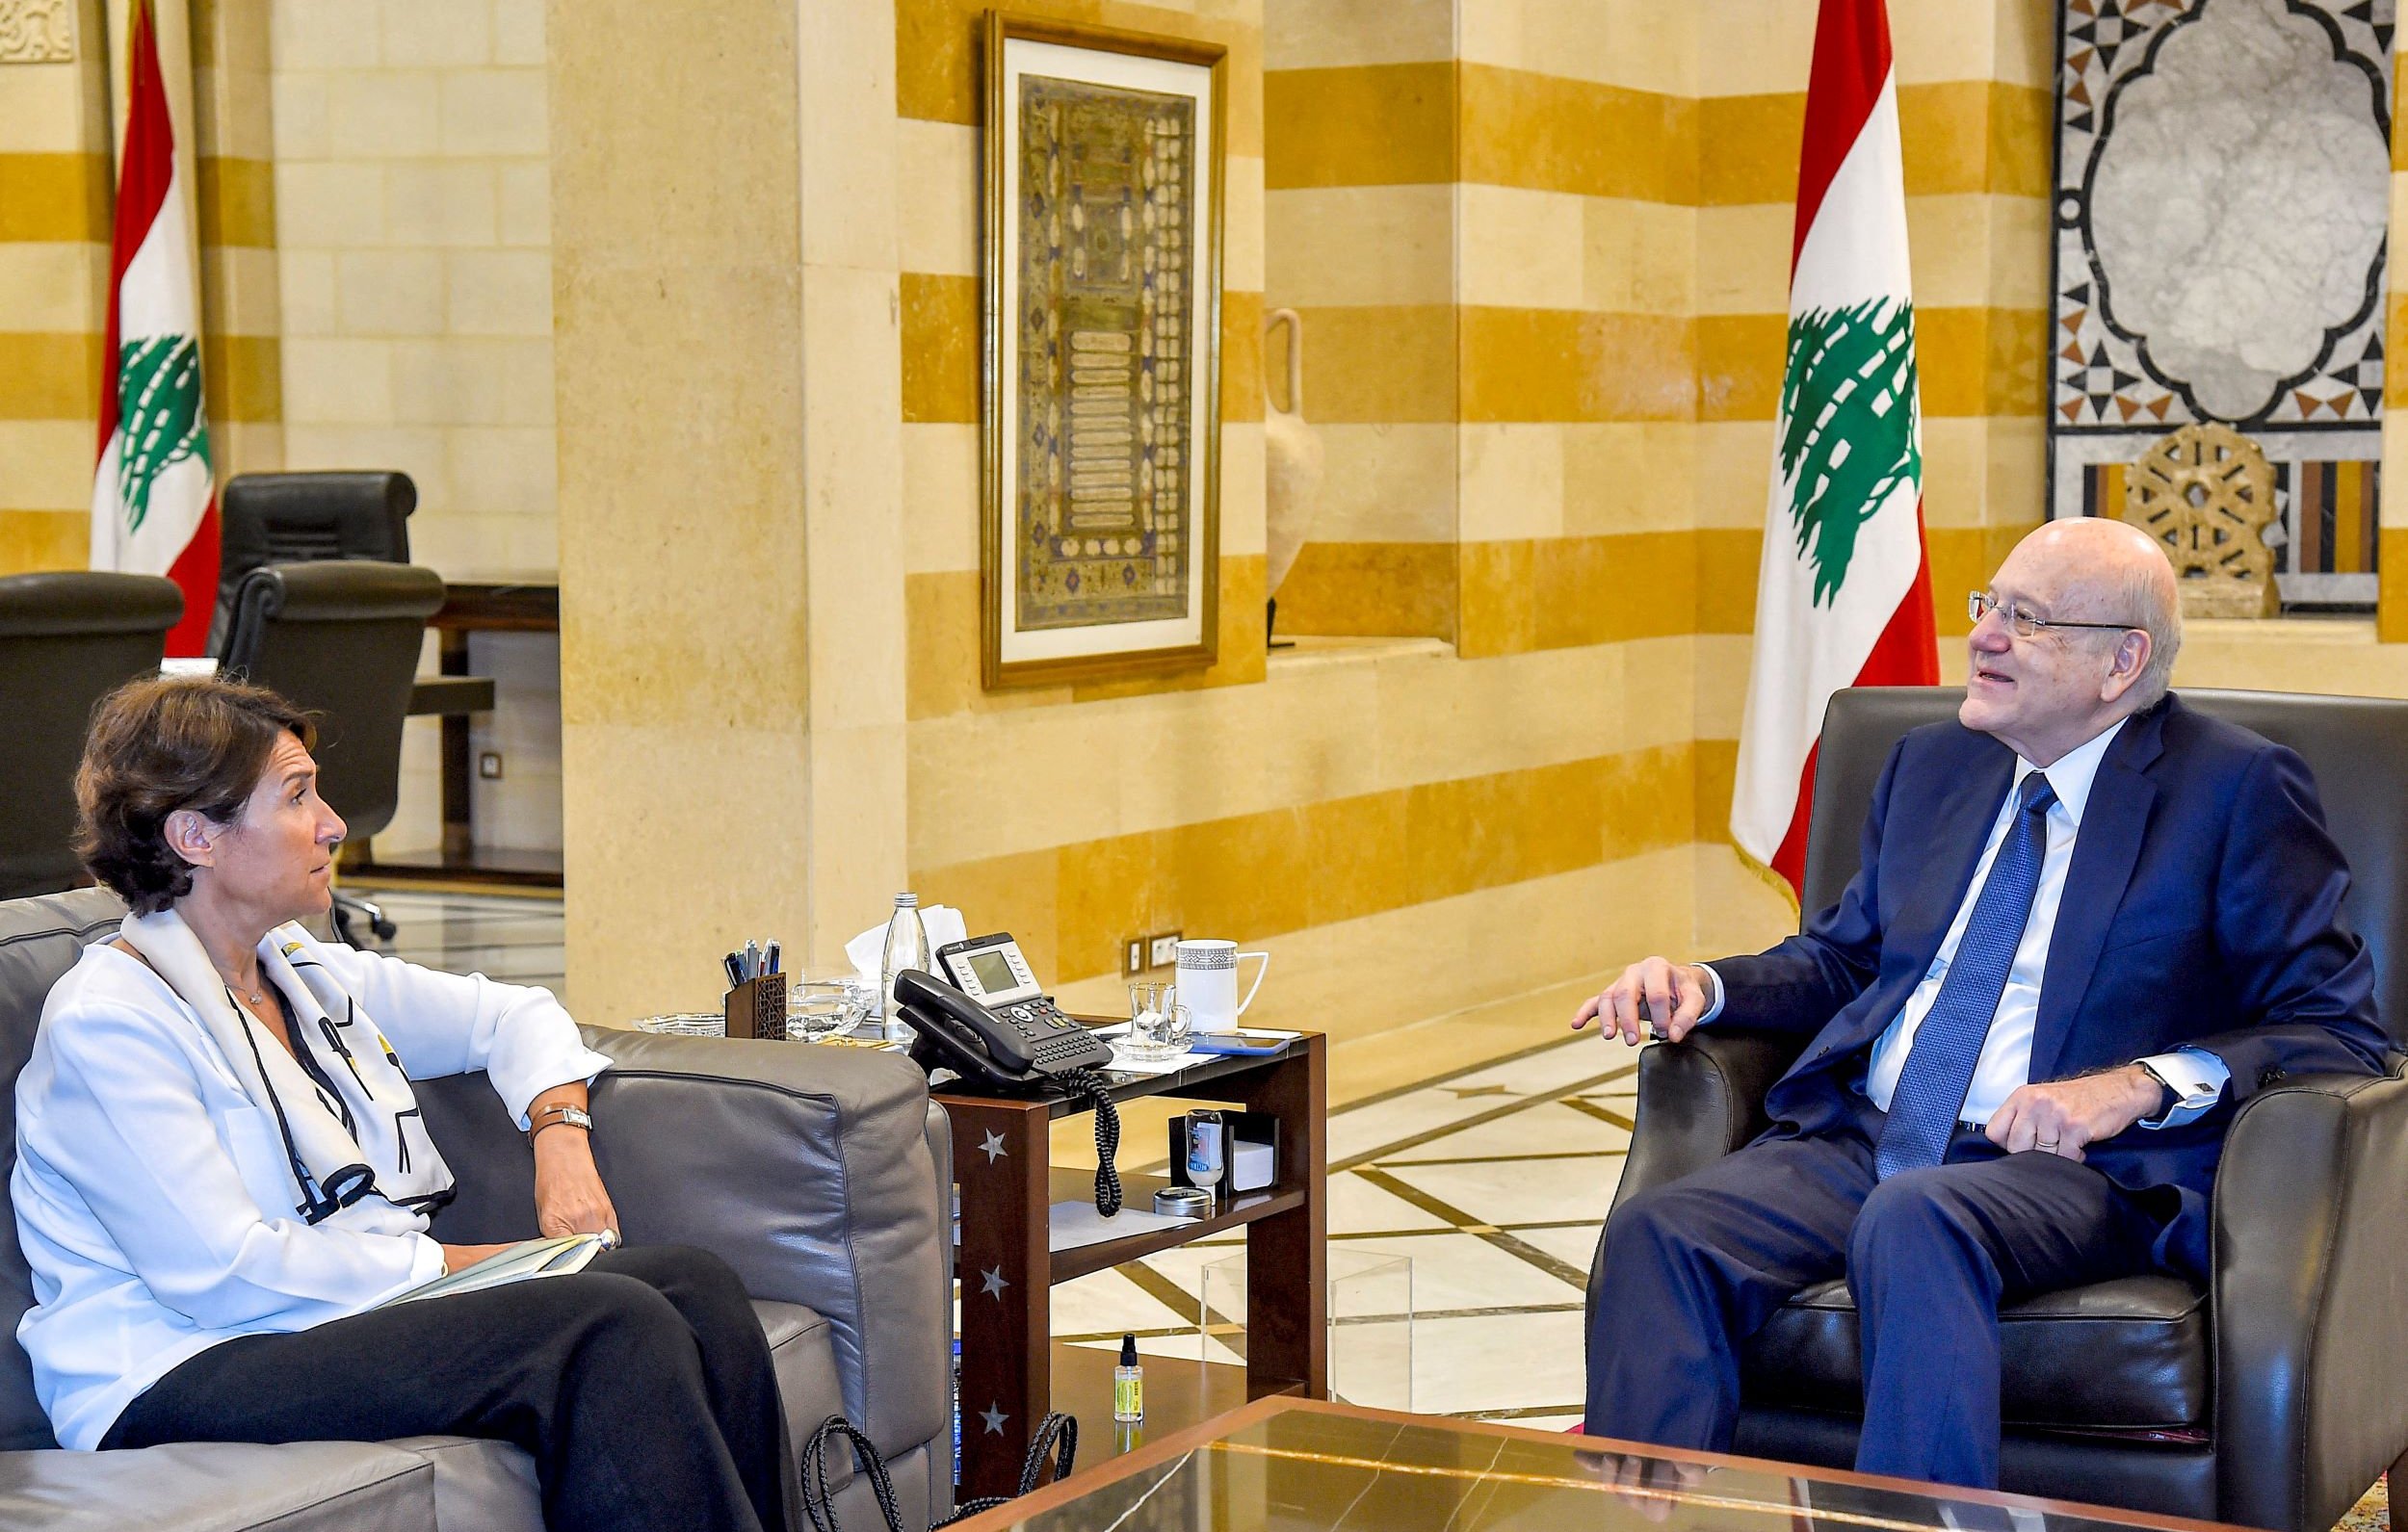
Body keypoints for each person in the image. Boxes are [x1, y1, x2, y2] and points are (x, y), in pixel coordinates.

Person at [1574, 517, 2392, 1490]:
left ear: (2120, 661)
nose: (1984, 636)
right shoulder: (1932, 765)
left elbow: (2338, 1028)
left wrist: (2132, 1085)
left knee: (1917, 1217)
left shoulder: (2234, 790)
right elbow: (1846, 959)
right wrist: (1705, 986)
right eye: (1987, 605)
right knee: (1657, 1230)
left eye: (2028, 619)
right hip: (1866, 1135)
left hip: (2073, 1165)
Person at [14, 676, 788, 1532]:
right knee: (606, 1322)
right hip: (173, 1364)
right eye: (298, 795)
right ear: (196, 835)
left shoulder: (301, 969)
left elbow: (512, 1013)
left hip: (326, 1316)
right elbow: (225, 1274)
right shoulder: (110, 1022)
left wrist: (560, 1139)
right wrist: (461, 1265)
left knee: (694, 1282)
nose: (335, 823)